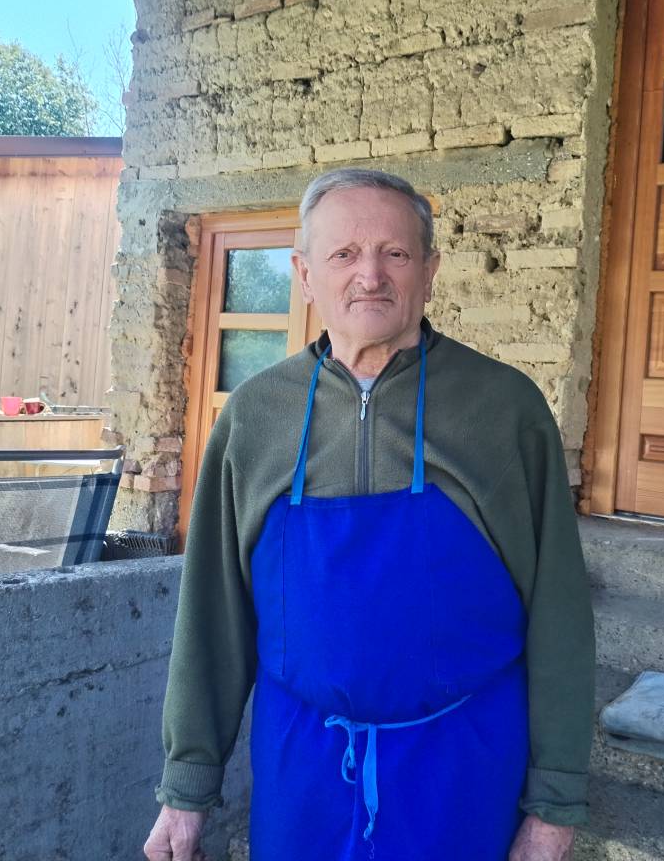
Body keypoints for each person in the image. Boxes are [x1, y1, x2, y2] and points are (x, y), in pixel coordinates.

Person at [144, 168, 595, 861]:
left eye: (396, 253)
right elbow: (214, 615)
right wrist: (187, 789)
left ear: (430, 270)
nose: (371, 276)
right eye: (344, 254)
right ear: (304, 274)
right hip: (302, 772)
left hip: (465, 769)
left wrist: (554, 805)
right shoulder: (255, 417)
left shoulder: (505, 411)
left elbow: (558, 614)